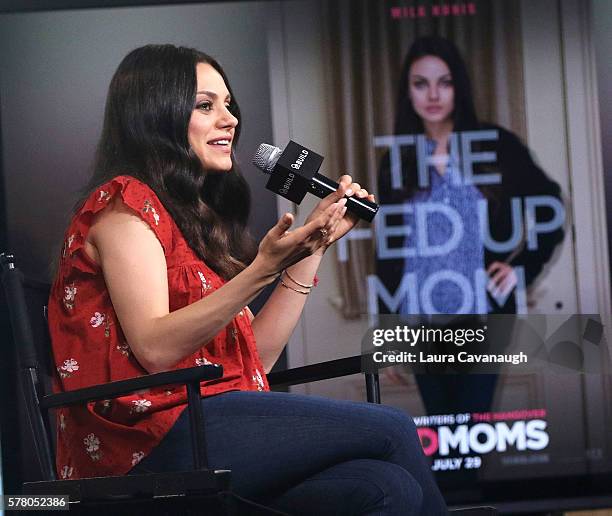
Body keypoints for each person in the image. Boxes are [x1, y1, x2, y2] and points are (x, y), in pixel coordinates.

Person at [48, 44, 447, 515]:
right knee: (394, 428)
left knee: (386, 486)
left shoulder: (191, 219)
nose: (230, 118)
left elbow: (255, 360)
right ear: (156, 116)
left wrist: (310, 249)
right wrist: (262, 269)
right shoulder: (124, 208)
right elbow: (155, 348)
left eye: (228, 104)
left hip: (208, 420)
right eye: (205, 105)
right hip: (150, 443)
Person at [376, 36, 565, 414]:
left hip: (484, 317)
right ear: (407, 92)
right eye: (421, 83)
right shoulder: (399, 160)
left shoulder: (495, 145)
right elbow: (388, 252)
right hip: (421, 324)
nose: (433, 94)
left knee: (469, 434)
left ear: (458, 87)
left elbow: (550, 206)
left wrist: (521, 267)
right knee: (445, 436)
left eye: (444, 82)